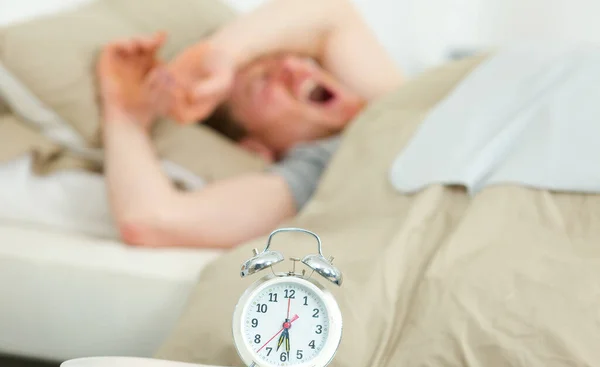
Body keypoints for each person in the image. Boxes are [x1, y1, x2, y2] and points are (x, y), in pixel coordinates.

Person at [96, 0, 402, 248]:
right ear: (255, 148)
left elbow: (330, 12)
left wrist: (220, 55)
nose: (293, 66)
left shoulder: (392, 102)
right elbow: (151, 221)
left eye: (294, 57)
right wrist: (125, 115)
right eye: (263, 81)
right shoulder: (319, 172)